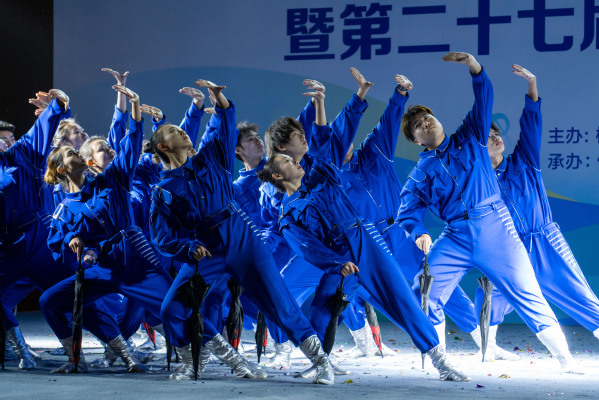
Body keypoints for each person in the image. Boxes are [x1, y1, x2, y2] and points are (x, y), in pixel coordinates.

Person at [258, 84, 470, 382]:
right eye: (288, 162)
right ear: (279, 174)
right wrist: (336, 264)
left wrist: (326, 103)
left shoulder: (321, 172)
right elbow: (307, 248)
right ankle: (320, 363)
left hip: (367, 240)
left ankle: (441, 362)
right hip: (339, 256)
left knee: (403, 300)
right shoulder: (288, 213)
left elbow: (326, 141)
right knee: (322, 306)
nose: (296, 162)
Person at [396, 52, 580, 373]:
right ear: (415, 140)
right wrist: (420, 231)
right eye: (417, 125)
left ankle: (566, 359)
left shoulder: (472, 137)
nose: (425, 122)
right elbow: (407, 210)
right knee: (425, 290)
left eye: (427, 117)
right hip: (457, 235)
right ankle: (441, 362)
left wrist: (474, 67)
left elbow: (484, 98)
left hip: (496, 227)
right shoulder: (420, 173)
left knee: (527, 292)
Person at [149, 79, 335, 384]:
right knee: (173, 307)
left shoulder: (212, 156)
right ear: (162, 147)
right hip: (206, 249)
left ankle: (321, 362)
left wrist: (220, 100)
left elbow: (224, 123)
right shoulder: (163, 190)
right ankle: (192, 362)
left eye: (181, 129)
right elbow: (161, 236)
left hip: (242, 238)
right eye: (173, 131)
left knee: (280, 305)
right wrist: (187, 248)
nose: (182, 131)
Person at [40, 84, 173, 374]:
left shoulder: (107, 182)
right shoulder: (66, 205)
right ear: (63, 169)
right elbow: (57, 238)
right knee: (51, 300)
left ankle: (206, 354)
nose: (76, 154)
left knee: (168, 308)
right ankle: (77, 359)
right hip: (104, 267)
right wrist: (74, 240)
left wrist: (134, 110)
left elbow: (127, 144)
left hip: (138, 258)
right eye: (71, 154)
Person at [473, 64, 599, 357]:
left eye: (496, 133)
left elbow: (531, 124)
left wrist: (532, 86)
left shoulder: (524, 161)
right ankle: (488, 347)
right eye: (488, 137)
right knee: (491, 292)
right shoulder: (479, 182)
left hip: (544, 240)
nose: (496, 137)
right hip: (510, 247)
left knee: (578, 294)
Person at [0, 90, 71, 370]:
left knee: (75, 290)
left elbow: (39, 133)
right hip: (8, 246)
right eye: (1, 139)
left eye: (9, 138)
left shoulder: (23, 154)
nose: (6, 142)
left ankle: (119, 349)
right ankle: (20, 351)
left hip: (39, 239)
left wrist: (57, 106)